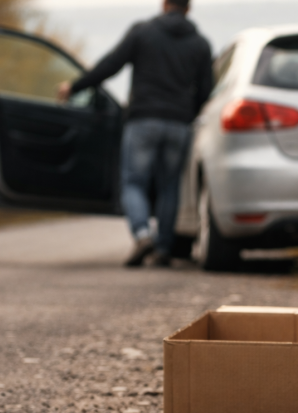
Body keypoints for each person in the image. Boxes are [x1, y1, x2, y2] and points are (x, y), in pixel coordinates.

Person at [58, 0, 213, 267]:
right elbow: (205, 90)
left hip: (143, 120)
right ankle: (163, 247)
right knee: (169, 186)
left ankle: (142, 235)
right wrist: (187, 114)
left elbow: (110, 65)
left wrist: (75, 87)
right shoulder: (200, 44)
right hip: (179, 124)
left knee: (133, 182)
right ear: (189, 8)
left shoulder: (143, 32)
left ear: (164, 4)